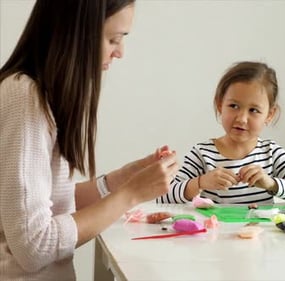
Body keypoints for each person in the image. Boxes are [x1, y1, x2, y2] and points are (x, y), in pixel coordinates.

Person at [0, 1, 178, 280]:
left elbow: (50, 202)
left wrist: (123, 179)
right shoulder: (24, 98)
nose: (120, 52)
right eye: (113, 39)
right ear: (75, 34)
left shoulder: (38, 97)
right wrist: (130, 194)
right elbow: (33, 246)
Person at [157, 61, 285, 206]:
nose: (242, 119)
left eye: (254, 110)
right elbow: (163, 196)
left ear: (269, 115)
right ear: (220, 105)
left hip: (260, 238)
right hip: (214, 238)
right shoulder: (203, 153)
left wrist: (271, 184)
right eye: (234, 106)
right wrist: (200, 183)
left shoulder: (272, 153)